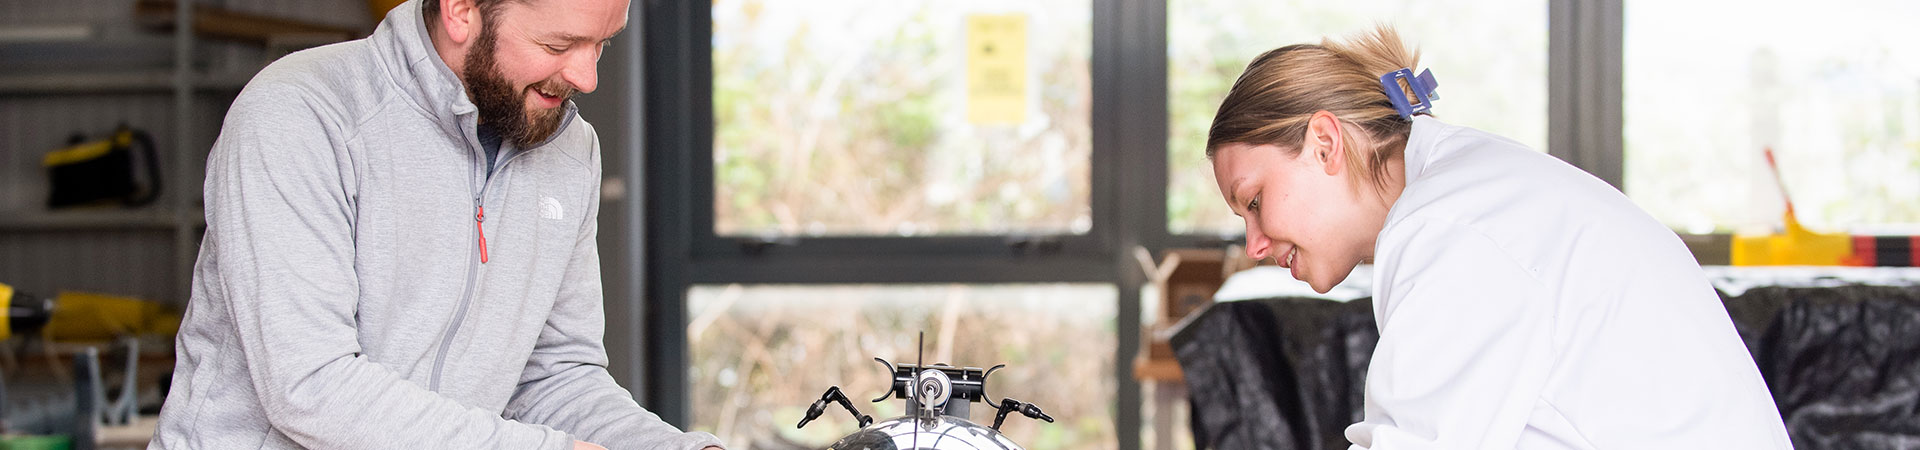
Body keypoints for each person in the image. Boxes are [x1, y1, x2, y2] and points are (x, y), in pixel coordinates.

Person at [150, 0, 724, 448]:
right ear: (461, 11)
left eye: (602, 43)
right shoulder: (301, 114)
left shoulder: (570, 152)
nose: (587, 76)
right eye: (558, 44)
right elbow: (310, 386)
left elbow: (554, 378)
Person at [1204, 27, 1792, 449]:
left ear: (1325, 144)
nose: (1254, 245)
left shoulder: (1451, 227)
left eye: (1254, 202)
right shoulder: (1467, 190)